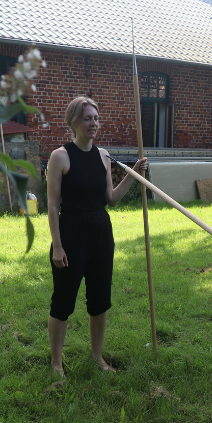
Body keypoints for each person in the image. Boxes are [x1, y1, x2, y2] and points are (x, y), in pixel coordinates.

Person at [46, 96, 148, 379]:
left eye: (96, 118)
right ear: (74, 122)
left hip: (101, 231)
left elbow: (111, 198)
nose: (94, 123)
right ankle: (56, 363)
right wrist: (57, 245)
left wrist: (134, 174)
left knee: (100, 297)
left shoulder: (103, 155)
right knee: (64, 300)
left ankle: (97, 356)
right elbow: (53, 205)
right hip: (71, 232)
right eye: (88, 118)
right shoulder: (60, 156)